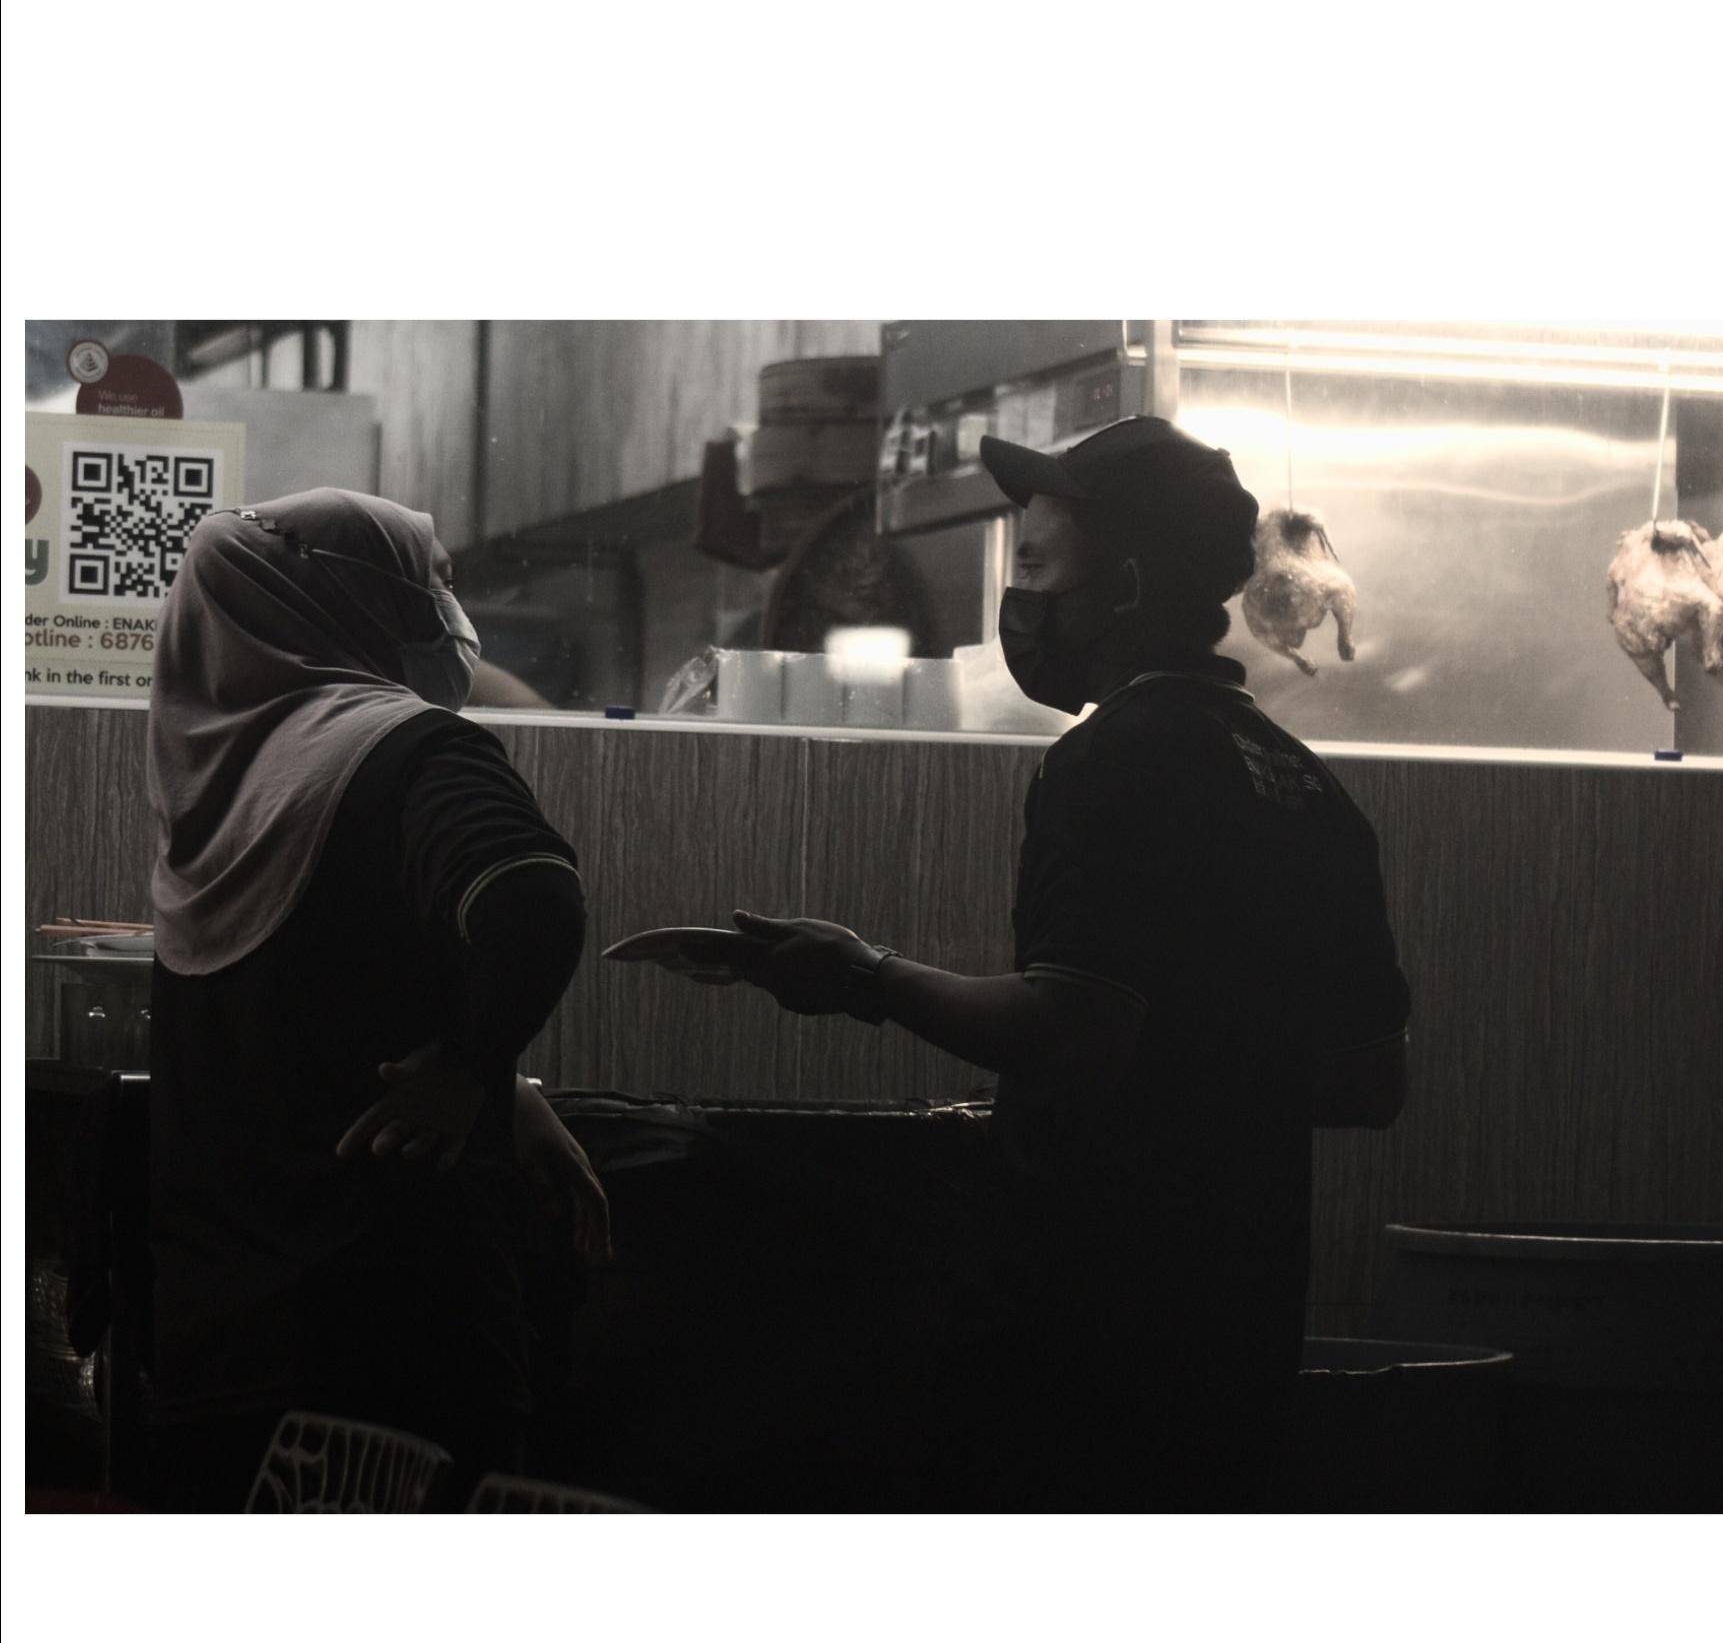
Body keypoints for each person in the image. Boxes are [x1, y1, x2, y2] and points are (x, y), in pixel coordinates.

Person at [725, 416, 1410, 1509]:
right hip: (1244, 1314)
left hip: (1088, 1314)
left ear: (1125, 586)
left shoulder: (1110, 758)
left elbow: (1072, 1028)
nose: (1020, 599)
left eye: (1037, 569)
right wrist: (1210, 1063)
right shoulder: (1310, 787)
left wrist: (863, 975)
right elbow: (1370, 1081)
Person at [144, 488, 608, 1510]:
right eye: (433, 580)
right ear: (360, 597)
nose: (453, 611)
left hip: (222, 1322)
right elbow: (534, 900)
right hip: (392, 1325)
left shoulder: (222, 767)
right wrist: (469, 1067)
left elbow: (316, 987)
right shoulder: (409, 748)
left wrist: (496, 1078)